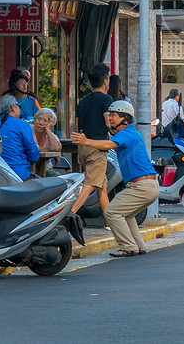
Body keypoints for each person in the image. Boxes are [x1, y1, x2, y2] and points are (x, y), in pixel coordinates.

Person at [71, 100, 158, 257]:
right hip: (146, 185)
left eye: (114, 115)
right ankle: (139, 245)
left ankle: (128, 246)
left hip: (141, 186)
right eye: (109, 114)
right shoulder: (130, 133)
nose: (110, 118)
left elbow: (108, 144)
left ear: (125, 117)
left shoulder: (127, 133)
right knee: (127, 214)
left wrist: (85, 142)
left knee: (111, 212)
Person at [71, 64, 114, 215]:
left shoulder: (83, 100)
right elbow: (108, 122)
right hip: (98, 148)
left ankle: (111, 220)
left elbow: (77, 125)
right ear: (105, 81)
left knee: (102, 186)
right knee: (90, 184)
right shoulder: (106, 99)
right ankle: (70, 213)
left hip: (83, 146)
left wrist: (78, 150)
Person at [0, 94, 39, 180]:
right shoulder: (22, 124)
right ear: (13, 107)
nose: (20, 108)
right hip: (19, 175)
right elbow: (34, 155)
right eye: (19, 105)